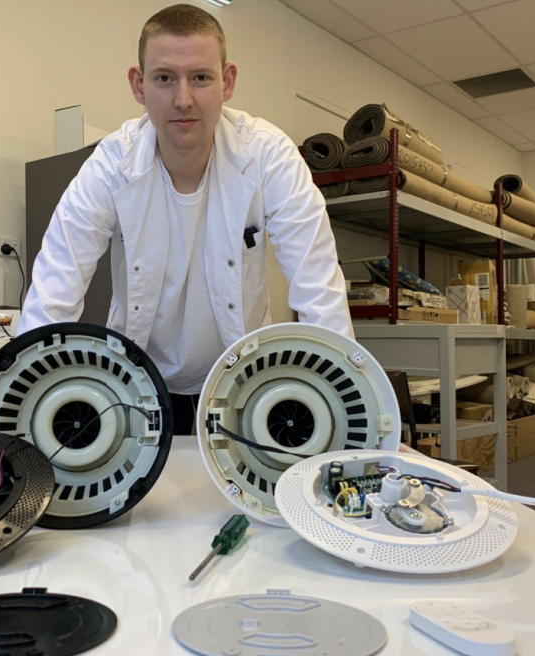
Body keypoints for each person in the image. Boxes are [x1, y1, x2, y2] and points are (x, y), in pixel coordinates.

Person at [20, 4, 349, 434]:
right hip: (138, 388)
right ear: (139, 85)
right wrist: (24, 409)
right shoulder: (113, 164)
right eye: (164, 78)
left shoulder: (268, 155)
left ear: (227, 81)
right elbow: (54, 289)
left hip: (242, 387)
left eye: (200, 77)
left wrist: (348, 406)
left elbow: (319, 288)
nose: (183, 99)